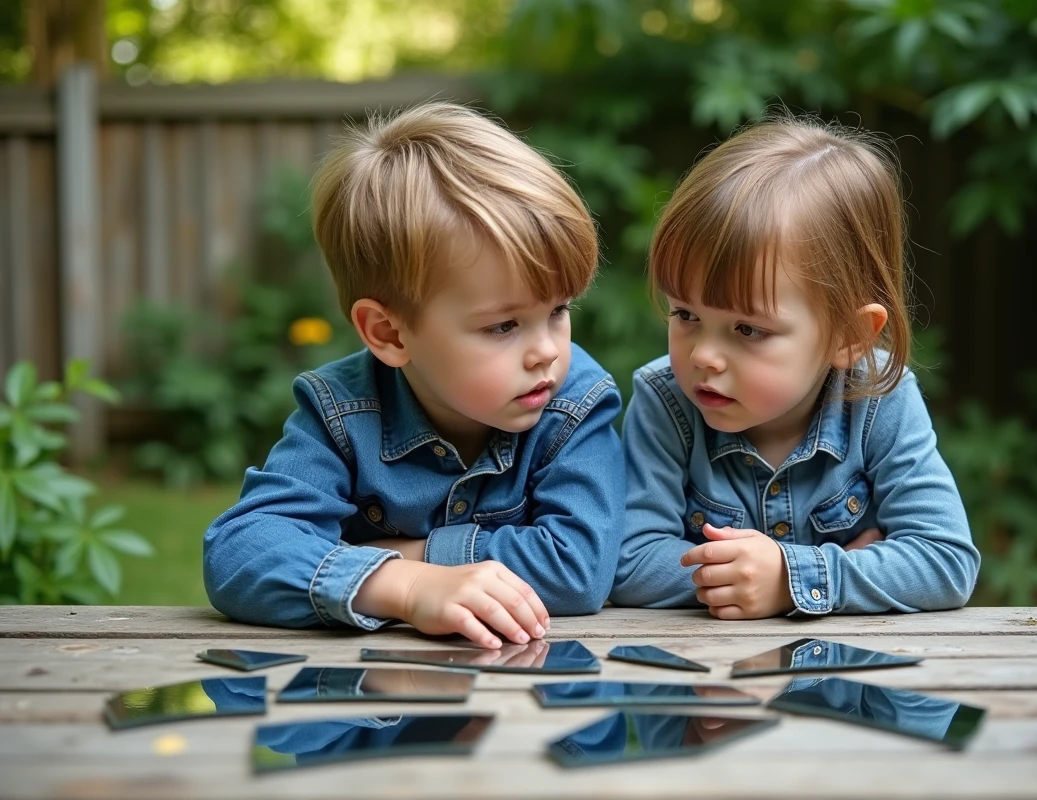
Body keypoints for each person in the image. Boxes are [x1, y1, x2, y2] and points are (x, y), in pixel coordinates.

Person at [204, 102, 624, 648]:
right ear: (389, 334)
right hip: (369, 703)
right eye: (503, 327)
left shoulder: (574, 402)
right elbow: (238, 551)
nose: (546, 351)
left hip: (534, 703)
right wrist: (402, 584)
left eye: (559, 311)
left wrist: (410, 553)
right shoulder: (343, 413)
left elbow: (579, 568)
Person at [611, 113, 979, 617]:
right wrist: (835, 572)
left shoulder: (879, 398)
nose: (702, 356)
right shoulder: (666, 401)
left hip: (853, 685)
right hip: (707, 686)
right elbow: (629, 562)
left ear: (848, 336)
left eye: (748, 329)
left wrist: (791, 577)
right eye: (686, 314)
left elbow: (944, 562)